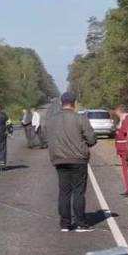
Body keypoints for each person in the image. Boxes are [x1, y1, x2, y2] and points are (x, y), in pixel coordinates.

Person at [47, 91, 97, 232]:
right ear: (74, 103)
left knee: (64, 192)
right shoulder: (80, 119)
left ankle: (65, 223)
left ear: (62, 103)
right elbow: (91, 139)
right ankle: (80, 222)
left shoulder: (52, 120)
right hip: (78, 159)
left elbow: (47, 137)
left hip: (59, 159)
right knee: (78, 192)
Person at [114, 101, 128, 197]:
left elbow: (126, 133)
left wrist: (120, 126)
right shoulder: (123, 120)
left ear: (120, 111)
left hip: (126, 149)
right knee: (125, 170)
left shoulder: (126, 120)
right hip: (122, 149)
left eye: (117, 113)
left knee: (127, 170)